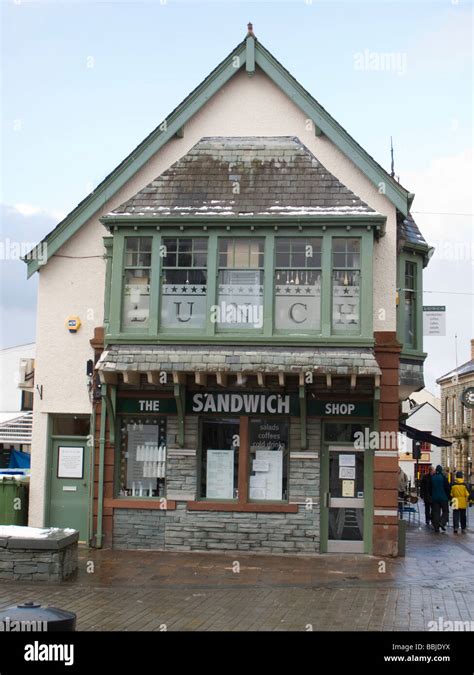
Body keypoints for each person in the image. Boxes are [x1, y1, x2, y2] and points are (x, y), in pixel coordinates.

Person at [430, 465, 450, 533]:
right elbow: (447, 488)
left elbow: (430, 488)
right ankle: (442, 522)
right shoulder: (444, 478)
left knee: (436, 513)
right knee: (445, 511)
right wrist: (449, 497)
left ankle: (436, 528)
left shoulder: (432, 478)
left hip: (435, 498)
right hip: (443, 498)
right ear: (441, 470)